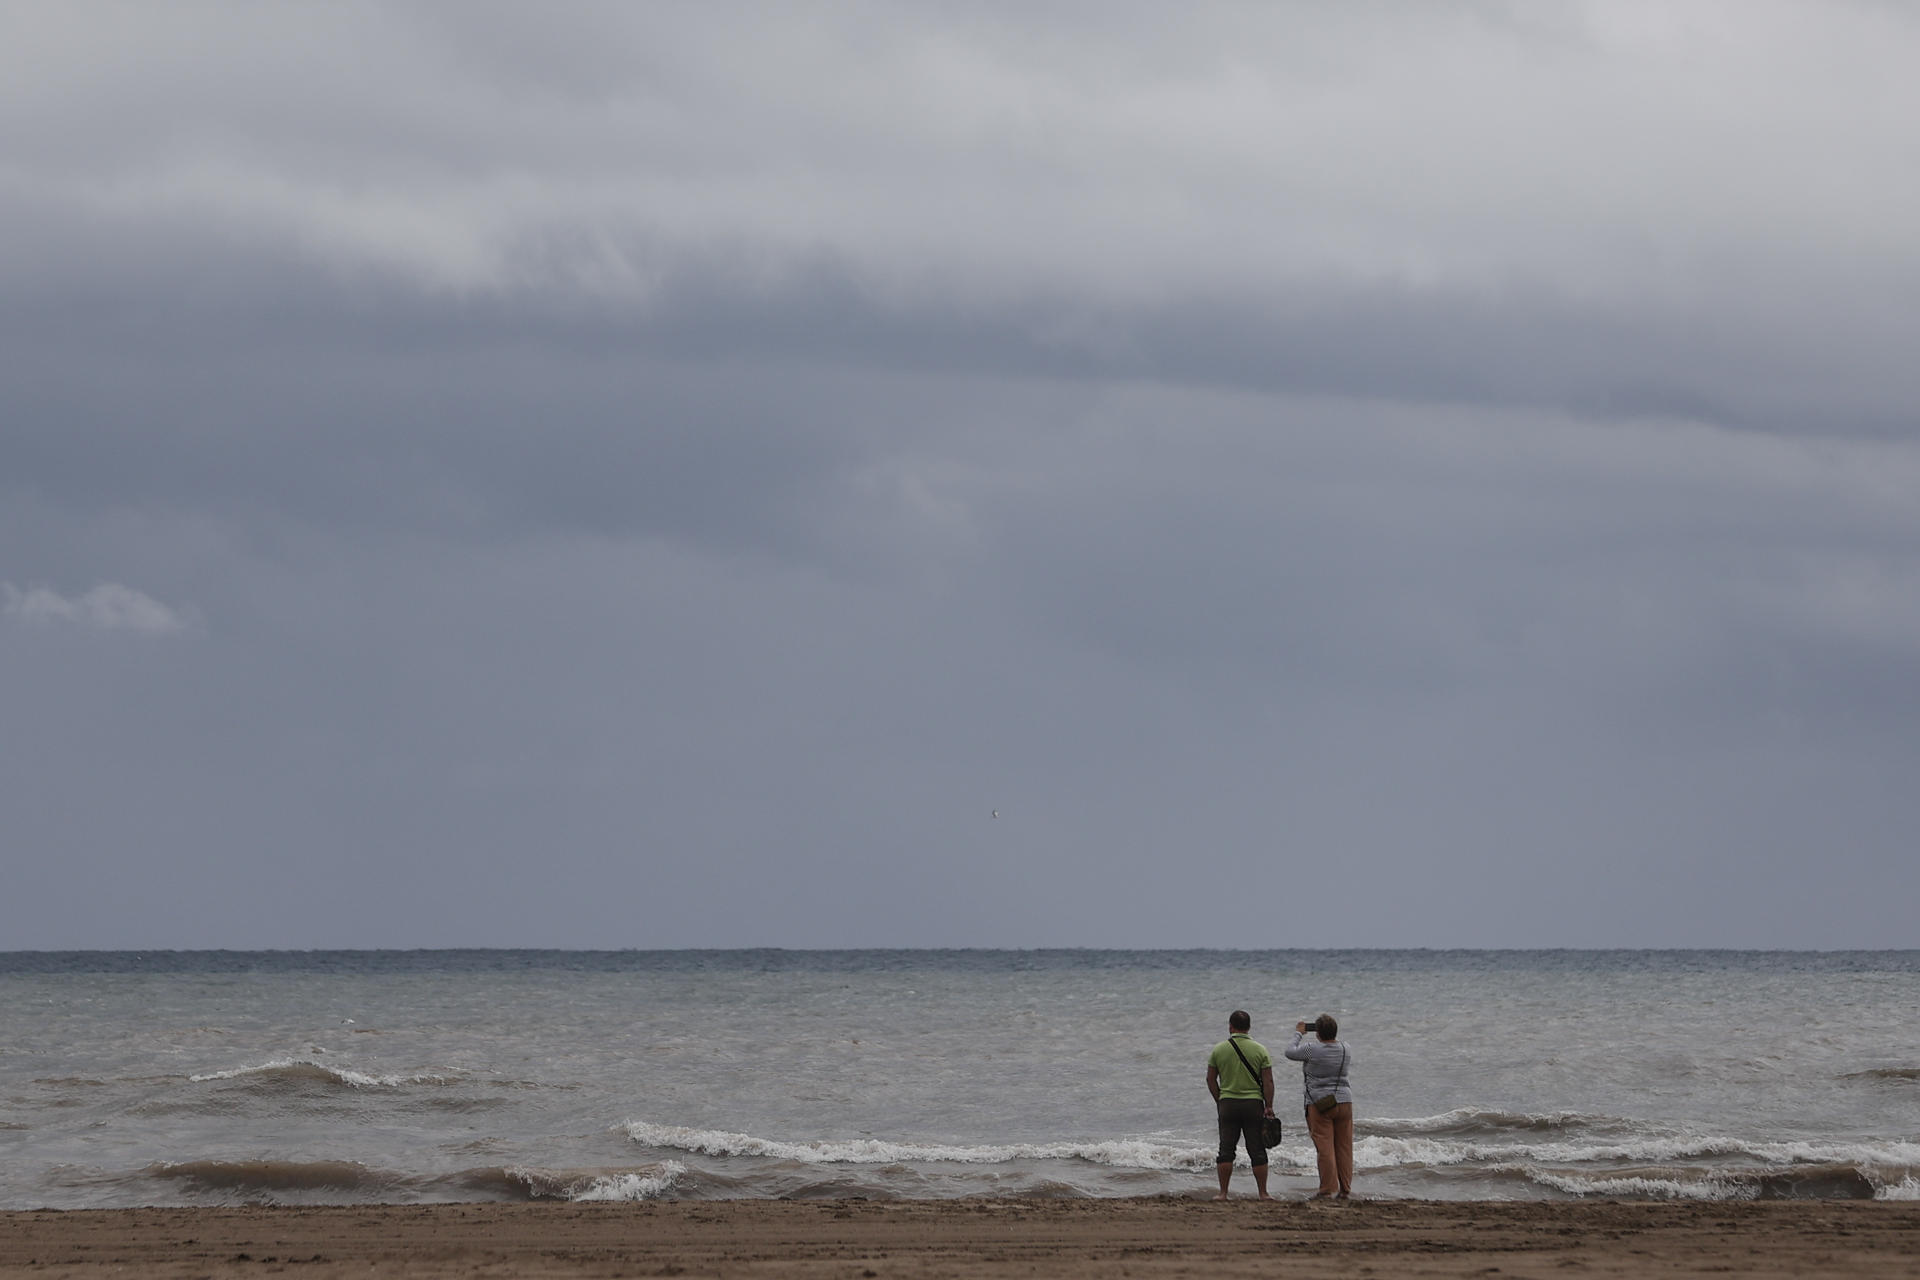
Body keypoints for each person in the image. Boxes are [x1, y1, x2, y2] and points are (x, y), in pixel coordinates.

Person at [1205, 1010, 1276, 1200]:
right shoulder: (1260, 1050)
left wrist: (1219, 1100)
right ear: (1249, 1027)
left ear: (1230, 1026)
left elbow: (1210, 1080)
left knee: (1226, 1150)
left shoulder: (1218, 1050)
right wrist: (1268, 1105)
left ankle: (1223, 1193)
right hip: (1253, 1104)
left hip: (1228, 1104)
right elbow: (1268, 1082)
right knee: (1257, 1150)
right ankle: (1263, 1193)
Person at [1286, 1013, 1353, 1200]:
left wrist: (1299, 1033)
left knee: (1325, 1148)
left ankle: (1326, 1189)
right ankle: (1345, 1189)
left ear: (1317, 1033)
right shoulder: (1345, 1048)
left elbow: (1290, 1052)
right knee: (1344, 1147)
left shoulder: (1311, 1049)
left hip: (1319, 1103)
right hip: (1345, 1101)